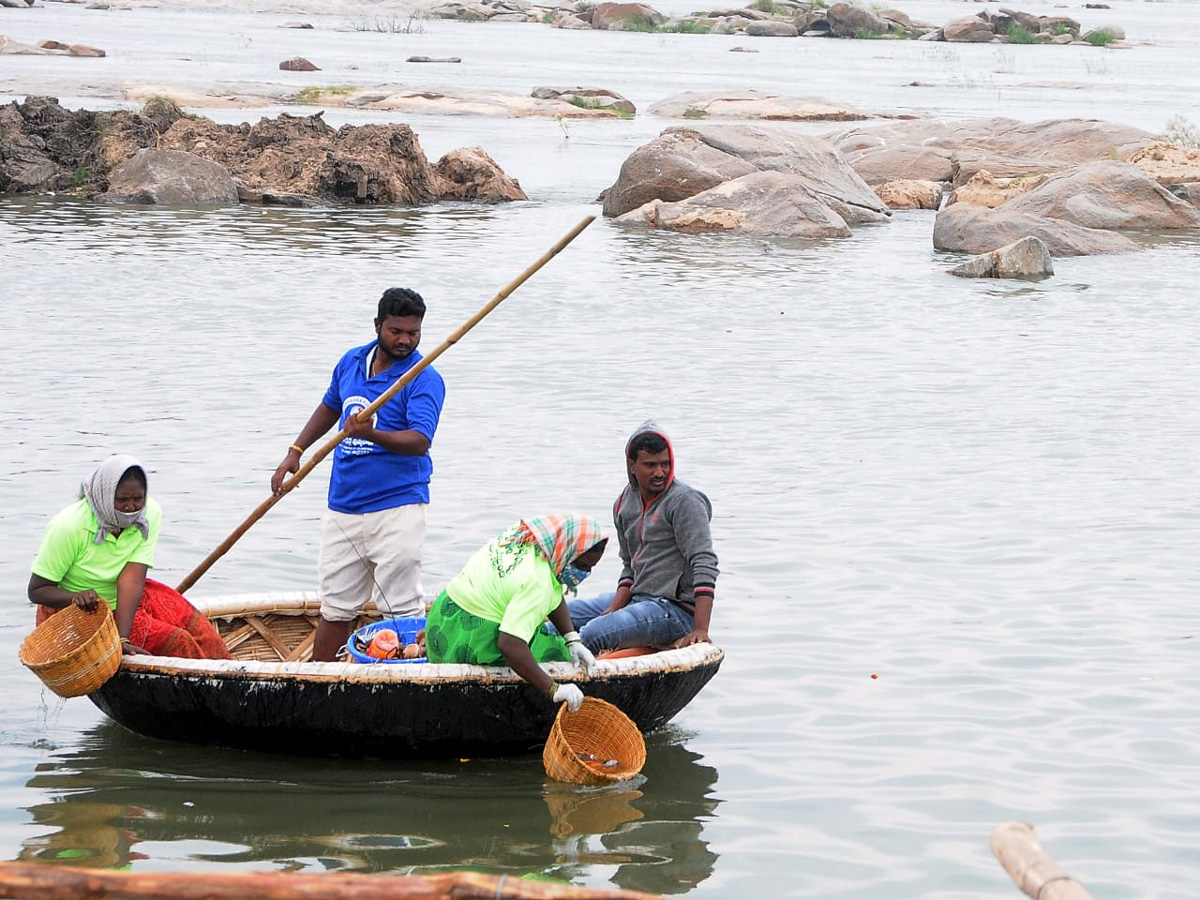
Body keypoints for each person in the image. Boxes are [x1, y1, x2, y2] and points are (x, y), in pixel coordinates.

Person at [271, 287, 446, 662]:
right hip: (344, 506)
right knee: (336, 604)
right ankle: (318, 682)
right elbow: (330, 406)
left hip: (398, 506)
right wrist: (295, 452)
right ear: (378, 325)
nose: (405, 340)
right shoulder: (352, 361)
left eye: (413, 333)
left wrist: (370, 434)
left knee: (399, 606)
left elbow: (419, 441)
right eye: (396, 331)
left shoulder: (423, 377)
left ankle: (404, 682)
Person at [28, 455, 230, 659]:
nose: (131, 507)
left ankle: (228, 678)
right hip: (76, 613)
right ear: (105, 495)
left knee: (203, 634)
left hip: (127, 603)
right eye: (122, 500)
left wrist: (122, 639)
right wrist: (75, 597)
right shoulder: (68, 526)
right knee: (179, 641)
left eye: (137, 499)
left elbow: (132, 580)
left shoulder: (149, 514)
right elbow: (37, 590)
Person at [424, 515, 606, 711]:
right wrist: (553, 689)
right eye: (581, 566)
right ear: (566, 552)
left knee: (550, 637)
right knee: (558, 653)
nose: (584, 574)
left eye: (589, 569)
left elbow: (554, 591)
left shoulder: (528, 541)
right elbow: (509, 645)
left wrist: (572, 639)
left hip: (442, 622)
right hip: (470, 641)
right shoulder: (537, 582)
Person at [568, 421, 718, 655]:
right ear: (632, 465)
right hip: (638, 598)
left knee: (592, 635)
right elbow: (630, 566)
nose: (659, 472)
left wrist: (700, 629)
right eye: (650, 465)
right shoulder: (623, 504)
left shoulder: (685, 502)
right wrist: (613, 609)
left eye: (665, 464)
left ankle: (563, 685)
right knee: (557, 620)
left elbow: (705, 563)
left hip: (675, 610)